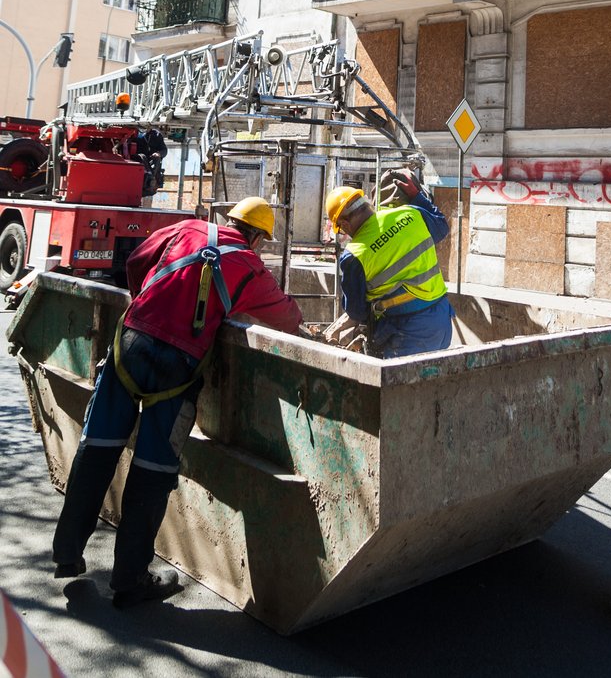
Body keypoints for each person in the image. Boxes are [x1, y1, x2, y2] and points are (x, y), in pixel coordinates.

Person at [52, 196, 302, 608]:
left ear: (229, 219)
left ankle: (66, 553)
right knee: (152, 469)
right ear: (256, 238)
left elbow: (135, 263)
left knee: (96, 448)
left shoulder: (186, 230)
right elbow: (287, 318)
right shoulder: (251, 268)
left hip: (128, 345)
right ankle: (129, 581)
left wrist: (148, 304)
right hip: (177, 364)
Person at [326, 171, 452, 359]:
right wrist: (417, 197)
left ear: (344, 223)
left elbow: (356, 311)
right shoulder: (411, 214)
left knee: (401, 386)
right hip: (442, 318)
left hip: (408, 331)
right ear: (366, 204)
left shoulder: (354, 255)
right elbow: (442, 227)